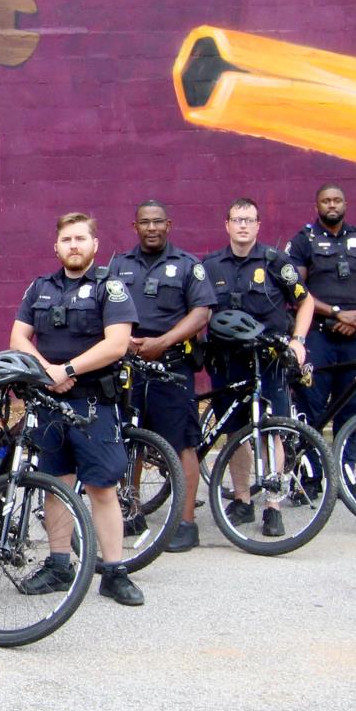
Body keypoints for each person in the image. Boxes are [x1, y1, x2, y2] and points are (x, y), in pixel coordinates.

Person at [9, 212, 142, 606]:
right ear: (56, 246)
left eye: (80, 238)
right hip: (49, 402)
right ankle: (59, 565)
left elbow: (117, 343)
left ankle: (115, 572)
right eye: (66, 239)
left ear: (94, 245)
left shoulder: (110, 287)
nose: (73, 245)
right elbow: (19, 336)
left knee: (102, 487)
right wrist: (47, 372)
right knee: (56, 484)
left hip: (92, 404)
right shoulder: (40, 287)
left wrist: (67, 369)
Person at [105, 200, 216, 553]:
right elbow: (103, 305)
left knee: (181, 442)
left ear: (168, 225)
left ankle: (186, 522)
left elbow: (202, 313)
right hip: (128, 365)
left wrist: (163, 341)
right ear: (134, 226)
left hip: (171, 365)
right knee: (130, 438)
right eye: (144, 222)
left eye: (157, 222)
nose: (151, 228)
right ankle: (130, 509)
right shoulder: (118, 264)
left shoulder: (186, 266)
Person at [202, 198, 315, 538]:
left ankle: (272, 505)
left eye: (249, 220)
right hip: (227, 360)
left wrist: (298, 340)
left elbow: (305, 299)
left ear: (258, 225)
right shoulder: (210, 265)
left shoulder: (277, 261)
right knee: (235, 434)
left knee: (272, 431)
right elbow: (199, 310)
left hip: (268, 361)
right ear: (227, 224)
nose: (243, 226)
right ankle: (241, 500)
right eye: (237, 219)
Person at [286, 185, 356, 442]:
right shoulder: (304, 240)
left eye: (337, 201)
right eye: (326, 201)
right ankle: (311, 478)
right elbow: (296, 290)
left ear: (345, 204)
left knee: (354, 409)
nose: (332, 205)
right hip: (319, 336)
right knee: (311, 408)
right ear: (317, 207)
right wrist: (336, 313)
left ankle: (346, 476)